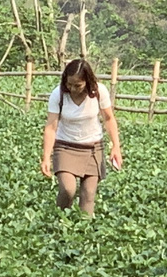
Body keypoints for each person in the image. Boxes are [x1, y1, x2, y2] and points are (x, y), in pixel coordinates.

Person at [40, 58, 123, 216]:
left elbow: (109, 119)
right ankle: (59, 224)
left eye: (78, 85)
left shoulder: (99, 92)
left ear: (87, 81)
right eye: (69, 84)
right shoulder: (58, 94)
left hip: (93, 148)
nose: (72, 88)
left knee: (88, 194)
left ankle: (84, 234)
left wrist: (116, 146)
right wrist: (46, 157)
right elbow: (51, 127)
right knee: (67, 190)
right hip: (65, 146)